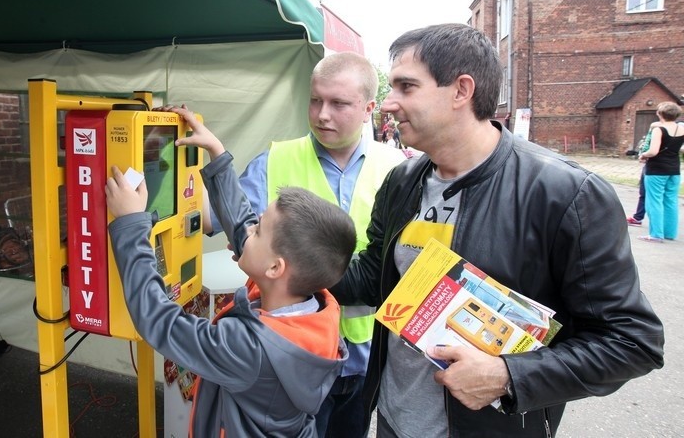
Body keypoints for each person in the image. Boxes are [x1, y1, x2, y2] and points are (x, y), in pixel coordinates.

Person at [329, 23, 665, 437]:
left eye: (405, 87)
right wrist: (292, 264)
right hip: (395, 422)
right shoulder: (403, 181)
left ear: (461, 90)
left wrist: (509, 375)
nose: (387, 103)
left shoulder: (566, 194)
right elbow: (373, 279)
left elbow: (632, 342)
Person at [105, 113, 358, 437]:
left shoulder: (249, 348)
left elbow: (159, 321)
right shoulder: (311, 306)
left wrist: (130, 223)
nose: (247, 231)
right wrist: (217, 155)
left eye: (258, 230)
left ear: (275, 268)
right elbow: (242, 229)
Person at [202, 51, 405, 438]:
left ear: (368, 108)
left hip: (365, 357)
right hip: (293, 357)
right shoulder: (276, 159)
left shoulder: (398, 169)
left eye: (338, 103)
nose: (322, 114)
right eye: (315, 100)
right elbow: (229, 222)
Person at [637, 101, 684, 242]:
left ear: (659, 113)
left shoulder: (659, 129)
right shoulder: (681, 129)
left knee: (654, 200)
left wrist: (643, 155)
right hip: (674, 168)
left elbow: (653, 151)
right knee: (671, 200)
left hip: (657, 169)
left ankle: (656, 234)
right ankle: (670, 233)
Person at [627, 121, 660, 226]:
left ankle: (655, 228)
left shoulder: (657, 131)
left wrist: (643, 155)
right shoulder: (676, 130)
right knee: (664, 199)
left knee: (648, 195)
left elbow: (650, 150)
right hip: (670, 169)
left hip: (653, 168)